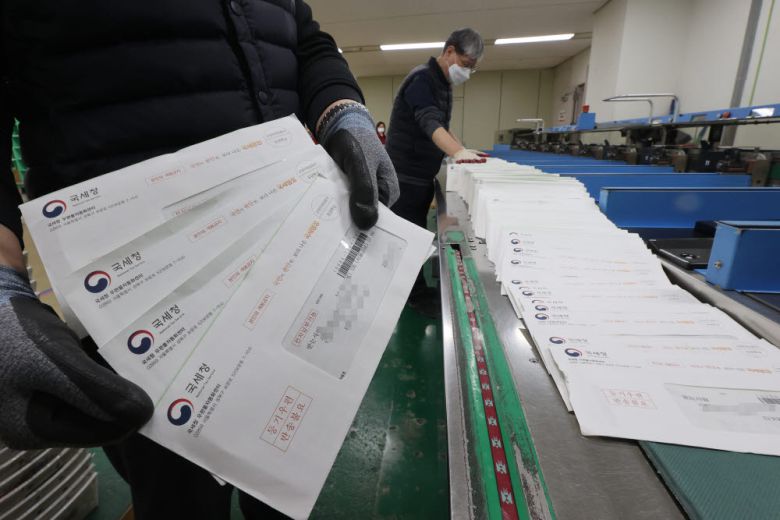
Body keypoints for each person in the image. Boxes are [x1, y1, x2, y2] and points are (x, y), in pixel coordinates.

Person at [0, 2, 398, 518]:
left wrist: (342, 109)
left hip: (291, 276)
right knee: (177, 502)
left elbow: (307, 41)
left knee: (285, 485)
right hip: (145, 313)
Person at [386, 28, 485, 317]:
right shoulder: (422, 79)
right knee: (408, 239)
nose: (466, 73)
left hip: (420, 176)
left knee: (416, 236)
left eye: (472, 69)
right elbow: (430, 123)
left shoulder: (442, 84)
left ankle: (416, 291)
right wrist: (456, 153)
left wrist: (463, 151)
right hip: (404, 177)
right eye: (465, 65)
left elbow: (442, 125)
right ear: (450, 51)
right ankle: (411, 297)